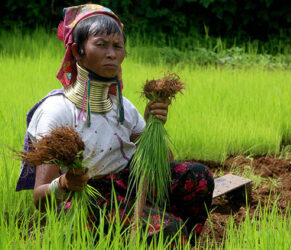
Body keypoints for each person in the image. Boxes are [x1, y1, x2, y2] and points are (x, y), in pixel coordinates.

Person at [15, 4, 214, 246]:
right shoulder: (57, 111)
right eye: (101, 45)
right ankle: (163, 232)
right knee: (169, 231)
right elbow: (39, 199)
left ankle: (180, 238)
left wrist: (154, 128)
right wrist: (65, 183)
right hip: (87, 199)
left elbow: (165, 163)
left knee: (199, 176)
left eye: (117, 46)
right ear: (78, 52)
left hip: (126, 185)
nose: (111, 53)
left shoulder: (122, 107)